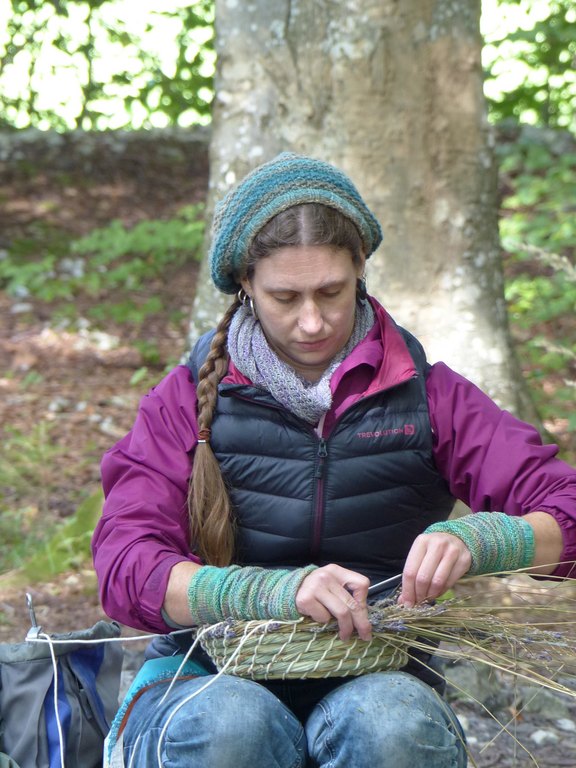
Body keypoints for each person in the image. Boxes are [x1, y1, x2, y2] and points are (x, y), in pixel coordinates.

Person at [92, 152, 576, 768]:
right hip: (205, 675)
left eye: (331, 292)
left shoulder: (429, 396)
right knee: (230, 726)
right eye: (284, 297)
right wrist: (266, 592)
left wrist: (487, 538)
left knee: (390, 727)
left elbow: (569, 509)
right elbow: (125, 565)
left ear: (361, 269)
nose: (312, 321)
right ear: (244, 284)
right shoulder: (185, 402)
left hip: (376, 674)